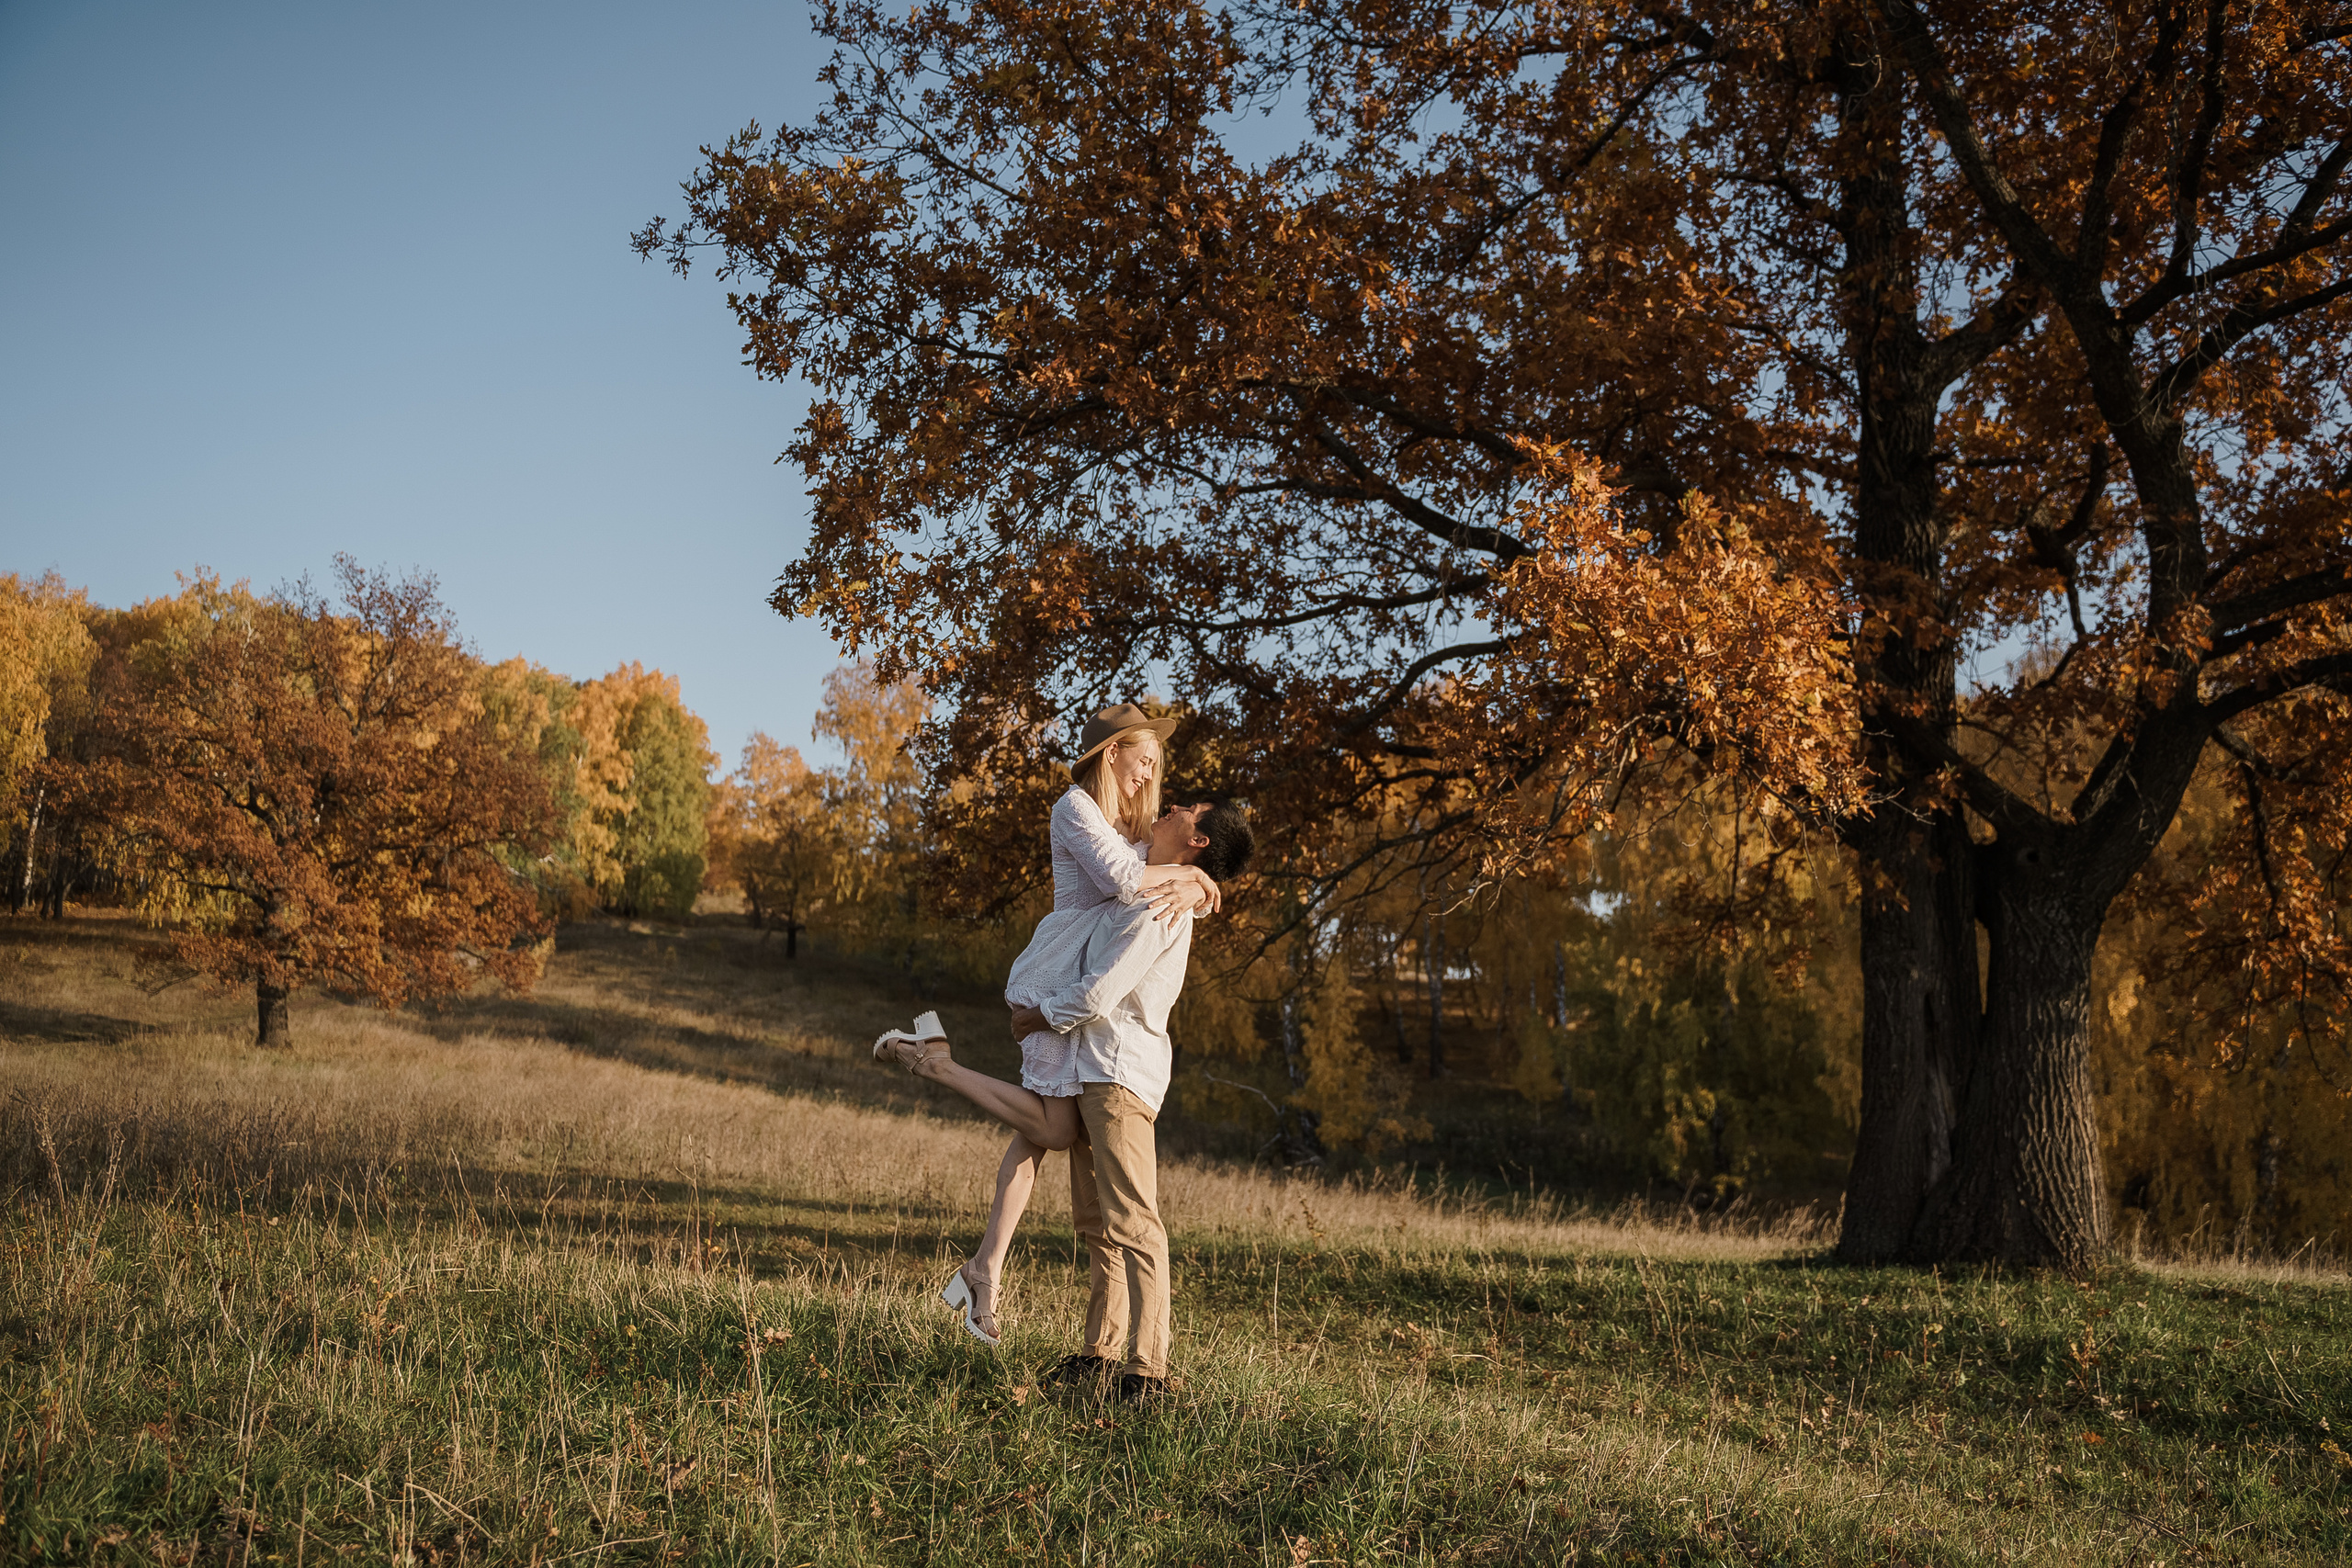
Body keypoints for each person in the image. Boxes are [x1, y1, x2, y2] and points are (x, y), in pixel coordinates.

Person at [870, 705, 1239, 1343]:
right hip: (1058, 980)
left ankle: (982, 1267)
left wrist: (1203, 880)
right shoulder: (1075, 807)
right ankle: (936, 1064)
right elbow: (1128, 881)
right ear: (1111, 753)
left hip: (1079, 992)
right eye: (1143, 757)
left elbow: (1157, 882)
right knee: (1049, 1129)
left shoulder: (1130, 827)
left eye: (1155, 760)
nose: (1152, 772)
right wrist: (1195, 875)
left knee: (1047, 1130)